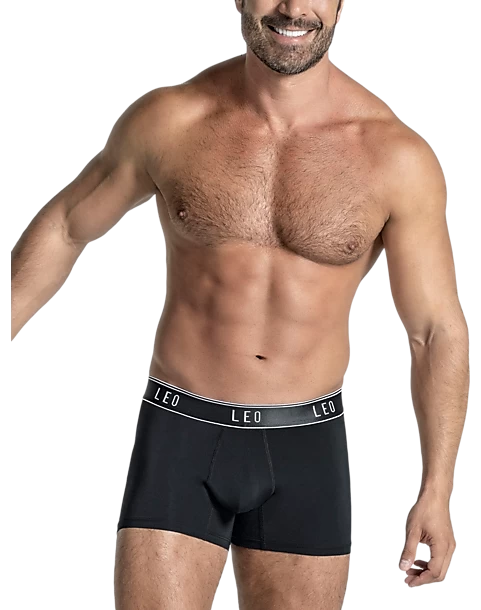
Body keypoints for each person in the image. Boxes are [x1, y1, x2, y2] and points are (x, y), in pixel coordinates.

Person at [10, 1, 470, 608]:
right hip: (181, 430)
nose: (293, 8)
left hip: (306, 445)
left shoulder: (395, 156)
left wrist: (438, 489)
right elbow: (69, 227)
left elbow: (435, 330)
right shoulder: (172, 120)